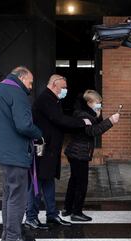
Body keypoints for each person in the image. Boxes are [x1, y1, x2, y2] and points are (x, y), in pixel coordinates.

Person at [25, 74, 91, 229]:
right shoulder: (45, 99)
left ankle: (52, 215)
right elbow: (59, 119)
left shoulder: (53, 99)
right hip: (42, 149)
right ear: (54, 85)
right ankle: (31, 217)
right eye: (63, 88)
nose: (65, 91)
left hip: (50, 149)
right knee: (37, 184)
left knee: (48, 182)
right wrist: (82, 122)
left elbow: (58, 120)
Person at [0, 66, 42, 241]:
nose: (30, 86)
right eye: (30, 82)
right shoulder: (17, 92)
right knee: (18, 196)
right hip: (15, 152)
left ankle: (7, 233)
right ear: (21, 77)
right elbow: (24, 125)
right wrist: (39, 134)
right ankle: (13, 237)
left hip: (2, 152)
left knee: (9, 194)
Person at [63, 90, 119, 221]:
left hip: (76, 151)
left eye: (100, 103)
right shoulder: (83, 115)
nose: (99, 105)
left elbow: (94, 123)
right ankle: (76, 212)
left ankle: (68, 208)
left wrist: (98, 115)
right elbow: (92, 131)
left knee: (74, 180)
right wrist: (110, 121)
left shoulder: (86, 113)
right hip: (79, 153)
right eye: (97, 103)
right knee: (81, 183)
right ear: (89, 102)